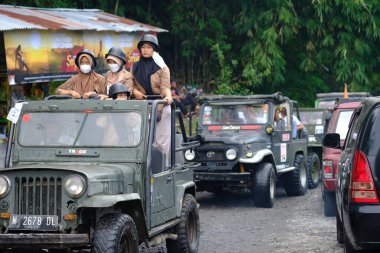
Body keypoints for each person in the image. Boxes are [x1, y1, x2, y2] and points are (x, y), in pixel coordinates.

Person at [131, 34, 172, 164]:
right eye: (143, 47)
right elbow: (130, 84)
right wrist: (135, 91)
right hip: (141, 105)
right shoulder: (135, 67)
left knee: (161, 140)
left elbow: (165, 87)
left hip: (159, 103)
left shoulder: (162, 67)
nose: (145, 50)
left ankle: (163, 165)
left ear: (154, 49)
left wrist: (168, 95)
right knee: (139, 138)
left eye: (149, 47)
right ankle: (139, 165)